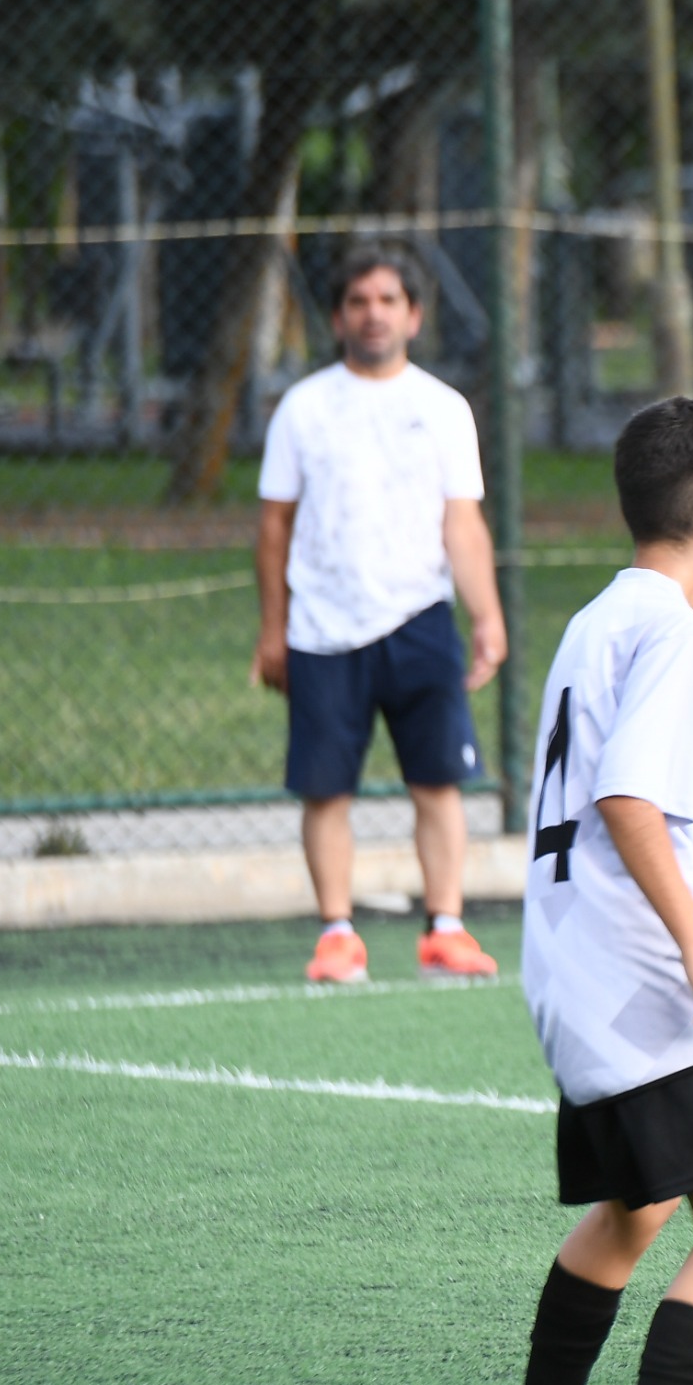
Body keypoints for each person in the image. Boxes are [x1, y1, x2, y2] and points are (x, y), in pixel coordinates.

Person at [469, 398, 693, 1385]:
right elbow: (628, 798)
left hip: (572, 966)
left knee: (641, 1203)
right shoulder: (676, 629)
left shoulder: (598, 615)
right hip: (640, 966)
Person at [253, 242, 505, 986]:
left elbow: (463, 524)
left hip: (421, 622)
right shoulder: (304, 407)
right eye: (358, 302)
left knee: (439, 783)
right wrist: (274, 630)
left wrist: (485, 617)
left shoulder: (444, 409)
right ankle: (337, 935)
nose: (373, 314)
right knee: (326, 788)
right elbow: (273, 528)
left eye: (388, 301)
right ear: (337, 317)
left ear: (414, 315)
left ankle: (446, 931)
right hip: (323, 630)